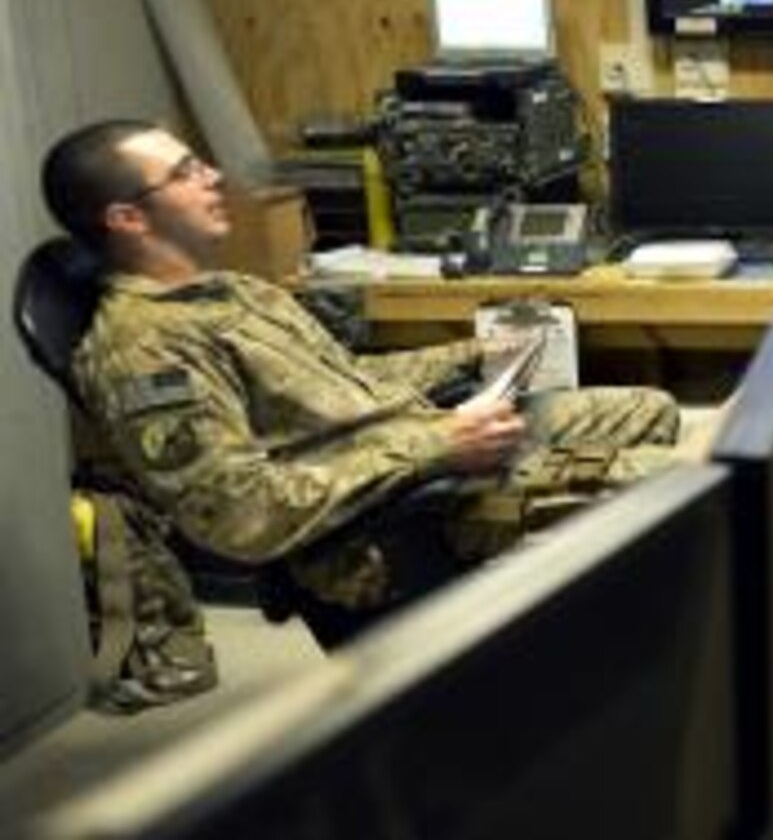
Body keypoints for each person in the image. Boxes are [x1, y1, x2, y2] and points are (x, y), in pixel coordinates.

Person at [41, 119, 686, 609]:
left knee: (648, 409)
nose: (211, 176)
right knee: (685, 490)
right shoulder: (143, 350)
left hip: (416, 454)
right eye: (184, 173)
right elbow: (241, 515)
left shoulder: (230, 291)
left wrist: (476, 352)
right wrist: (436, 447)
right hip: (383, 526)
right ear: (127, 218)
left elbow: (347, 383)